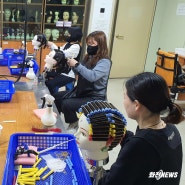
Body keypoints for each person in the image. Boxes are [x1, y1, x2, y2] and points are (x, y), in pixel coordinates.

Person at [98, 72, 183, 185]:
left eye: (125, 97)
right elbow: (144, 156)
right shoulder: (171, 129)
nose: (123, 101)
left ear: (137, 105)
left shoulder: (139, 145)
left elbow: (110, 182)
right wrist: (124, 135)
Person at [53, 31, 112, 133]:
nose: (89, 46)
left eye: (92, 43)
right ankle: (57, 122)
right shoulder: (88, 57)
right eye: (88, 43)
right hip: (82, 92)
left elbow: (92, 76)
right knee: (56, 97)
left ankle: (74, 124)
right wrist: (72, 65)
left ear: (101, 45)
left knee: (67, 104)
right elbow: (80, 72)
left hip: (95, 97)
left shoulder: (104, 61)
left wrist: (77, 65)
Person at [45, 26, 83, 95]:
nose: (67, 35)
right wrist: (50, 45)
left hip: (69, 74)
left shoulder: (76, 47)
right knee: (46, 75)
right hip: (62, 71)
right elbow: (60, 50)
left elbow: (62, 54)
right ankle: (53, 95)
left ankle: (54, 100)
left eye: (69, 34)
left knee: (50, 84)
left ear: (75, 35)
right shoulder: (67, 44)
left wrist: (52, 44)